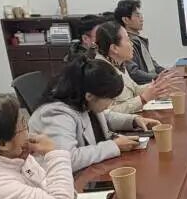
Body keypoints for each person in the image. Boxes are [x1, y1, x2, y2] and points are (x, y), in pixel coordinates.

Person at [30, 57, 162, 173]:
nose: (112, 103)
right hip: (62, 182)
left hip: (89, 171)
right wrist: (113, 146)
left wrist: (134, 120)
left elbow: (105, 116)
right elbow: (67, 159)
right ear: (89, 96)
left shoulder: (83, 98)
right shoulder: (56, 114)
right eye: (110, 98)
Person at [95, 21, 182, 116]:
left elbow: (134, 89)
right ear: (114, 48)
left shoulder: (118, 63)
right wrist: (143, 99)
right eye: (128, 40)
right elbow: (106, 114)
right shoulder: (101, 71)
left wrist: (157, 86)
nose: (132, 44)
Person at [116, 0, 164, 84]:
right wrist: (157, 78)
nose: (142, 19)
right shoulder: (126, 43)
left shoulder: (139, 40)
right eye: (137, 16)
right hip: (144, 86)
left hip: (152, 83)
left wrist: (166, 72)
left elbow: (151, 64)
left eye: (141, 15)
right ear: (126, 20)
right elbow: (133, 72)